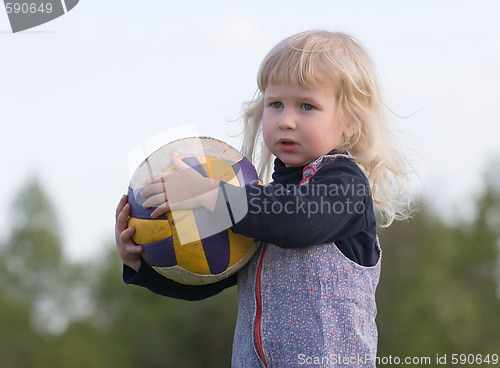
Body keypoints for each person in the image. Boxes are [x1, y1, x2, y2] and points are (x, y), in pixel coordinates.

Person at [115, 29, 410, 367]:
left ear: (351, 123)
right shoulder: (256, 202)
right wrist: (140, 262)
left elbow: (296, 221)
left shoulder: (345, 188)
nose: (286, 120)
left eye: (307, 106)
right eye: (276, 104)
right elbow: (208, 276)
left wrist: (210, 194)